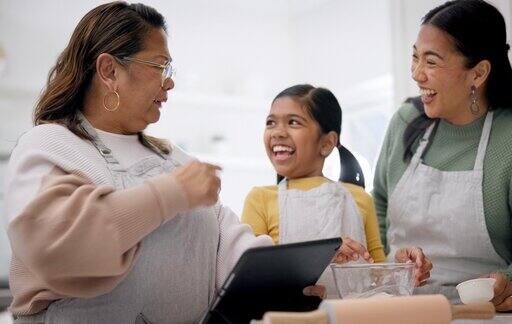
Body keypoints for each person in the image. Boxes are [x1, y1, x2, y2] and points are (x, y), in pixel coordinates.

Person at [2, 3, 357, 323]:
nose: (169, 82)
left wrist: (299, 275)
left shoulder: (176, 160)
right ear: (109, 70)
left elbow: (232, 252)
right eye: (159, 66)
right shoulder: (49, 145)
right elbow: (60, 247)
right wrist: (170, 194)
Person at [372, 0, 512, 313]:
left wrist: (506, 284)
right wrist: (389, 269)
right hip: (398, 311)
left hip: (480, 315)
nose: (417, 74)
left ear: (478, 73)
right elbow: (378, 204)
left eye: (431, 62)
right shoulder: (405, 122)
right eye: (415, 57)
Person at [242, 84, 432, 297]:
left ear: (326, 143)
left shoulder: (359, 198)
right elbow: (252, 276)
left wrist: (402, 268)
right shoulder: (260, 199)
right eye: (271, 122)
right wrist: (320, 256)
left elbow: (376, 276)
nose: (277, 132)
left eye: (293, 122)